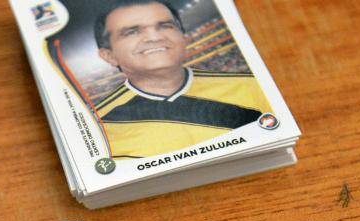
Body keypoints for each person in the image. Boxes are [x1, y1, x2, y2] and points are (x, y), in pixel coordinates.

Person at [93, 0, 274, 159]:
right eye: (132, 32)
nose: (154, 37)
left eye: (165, 26)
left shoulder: (254, 86)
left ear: (183, 37)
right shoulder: (99, 126)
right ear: (109, 56)